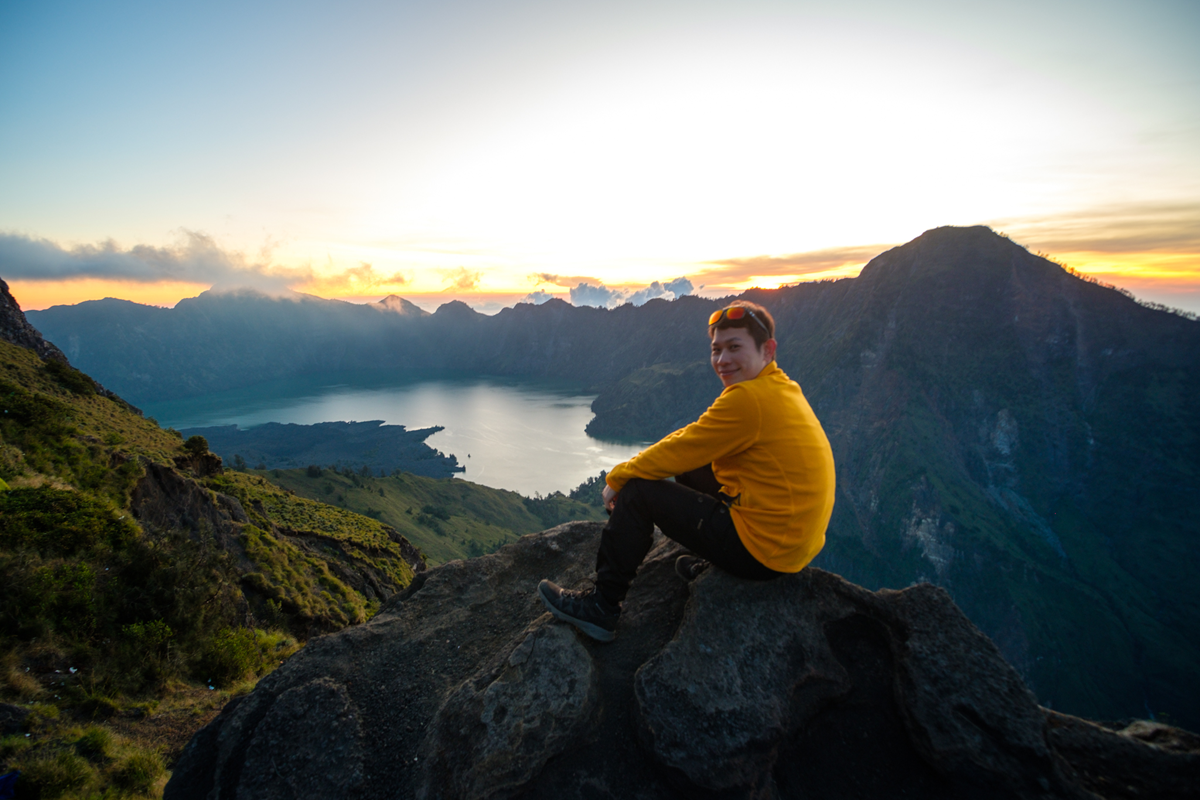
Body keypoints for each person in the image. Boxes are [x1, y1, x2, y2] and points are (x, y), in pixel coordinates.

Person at [538, 300, 836, 641]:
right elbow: (692, 440)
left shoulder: (749, 400)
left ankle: (602, 608)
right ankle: (719, 559)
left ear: (767, 350)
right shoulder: (778, 387)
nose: (722, 360)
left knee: (638, 493)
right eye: (716, 350)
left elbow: (683, 447)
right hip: (790, 546)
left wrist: (619, 477)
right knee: (691, 467)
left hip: (764, 553)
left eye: (734, 348)